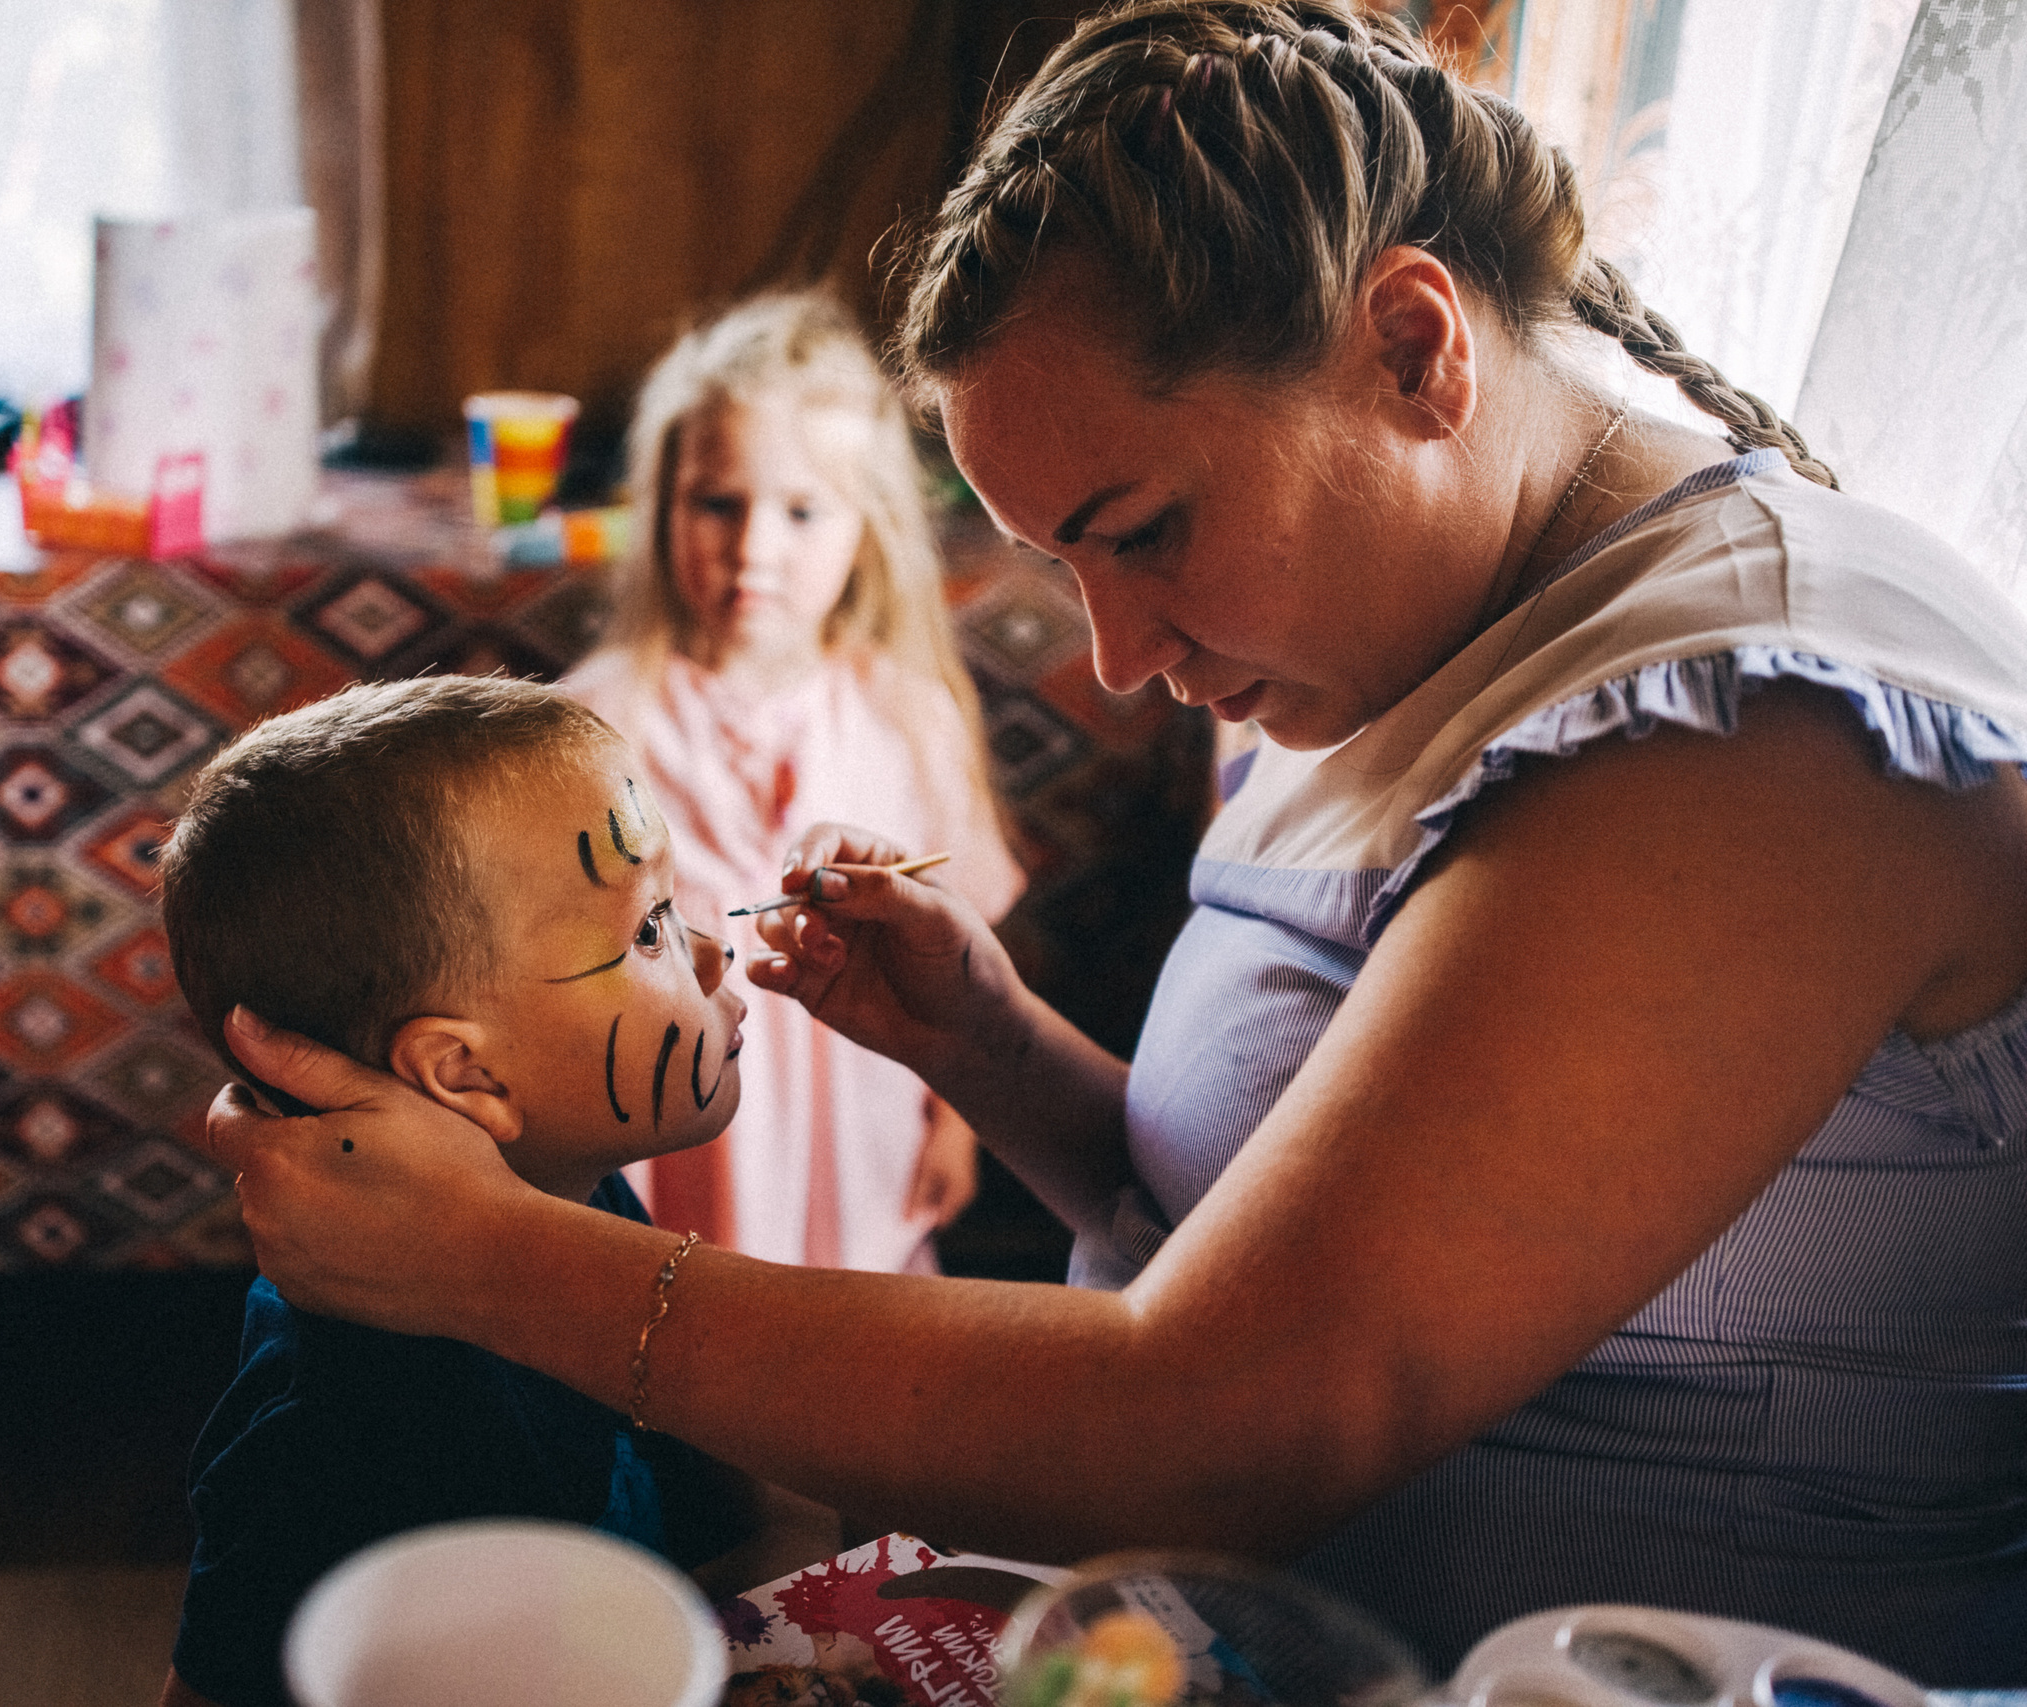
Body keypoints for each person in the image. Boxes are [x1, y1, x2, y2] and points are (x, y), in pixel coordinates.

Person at [187, 2, 2027, 1682]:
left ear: (1412, 348)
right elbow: (1295, 1224)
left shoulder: (1751, 746)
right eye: (1066, 564)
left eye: (1140, 531)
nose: (1123, 655)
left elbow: (1233, 1421)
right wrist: (993, 1048)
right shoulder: (1426, 631)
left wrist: (496, 1262)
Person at [150, 675, 832, 1707]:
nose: (711, 949)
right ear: (466, 1073)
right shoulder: (355, 1434)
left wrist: (778, 1540)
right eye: (650, 929)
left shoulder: (576, 1195)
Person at [563, 289, 1024, 1274]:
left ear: (868, 527)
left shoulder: (906, 714)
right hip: (674, 1126)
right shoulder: (597, 721)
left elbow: (957, 946)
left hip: (859, 1124)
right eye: (716, 503)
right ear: (663, 504)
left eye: (803, 510)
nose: (753, 549)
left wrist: (957, 1124)